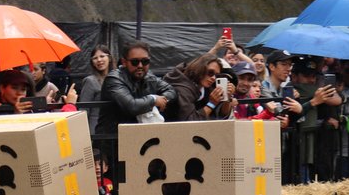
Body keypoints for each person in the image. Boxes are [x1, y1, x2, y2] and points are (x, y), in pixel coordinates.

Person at [98, 42, 177, 172]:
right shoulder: (114, 79)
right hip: (114, 144)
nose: (140, 65)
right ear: (124, 62)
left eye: (145, 61)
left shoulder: (150, 77)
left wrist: (161, 100)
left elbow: (171, 91)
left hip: (140, 142)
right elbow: (131, 106)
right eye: (135, 62)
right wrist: (153, 100)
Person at [162, 54, 234, 121]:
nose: (213, 78)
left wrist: (227, 98)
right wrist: (212, 104)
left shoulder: (206, 86)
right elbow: (191, 121)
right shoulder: (182, 88)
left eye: (216, 75)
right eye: (210, 72)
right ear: (200, 69)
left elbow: (221, 115)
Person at [79, 44, 114, 135]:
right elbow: (84, 110)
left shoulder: (116, 79)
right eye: (95, 58)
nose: (99, 60)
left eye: (102, 56)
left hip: (113, 128)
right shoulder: (90, 81)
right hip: (95, 130)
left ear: (109, 58)